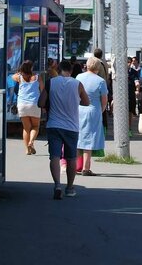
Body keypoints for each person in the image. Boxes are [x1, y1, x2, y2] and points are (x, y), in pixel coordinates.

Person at [39, 60, 90, 200]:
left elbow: (40, 103)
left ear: (59, 69)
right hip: (71, 126)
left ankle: (57, 185)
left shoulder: (51, 82)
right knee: (71, 158)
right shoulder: (77, 84)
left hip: (54, 125)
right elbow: (86, 102)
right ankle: (70, 187)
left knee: (54, 156)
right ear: (71, 70)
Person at [76, 57, 108, 177]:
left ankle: (72, 165)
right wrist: (100, 110)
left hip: (79, 109)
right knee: (89, 139)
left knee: (78, 136)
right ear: (98, 67)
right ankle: (86, 168)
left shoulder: (79, 77)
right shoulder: (100, 81)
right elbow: (104, 100)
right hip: (93, 110)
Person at [11, 60, 44, 155]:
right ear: (31, 68)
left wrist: (19, 72)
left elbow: (12, 77)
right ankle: (31, 142)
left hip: (22, 105)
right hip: (34, 104)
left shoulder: (19, 77)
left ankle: (27, 149)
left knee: (26, 128)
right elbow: (42, 90)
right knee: (35, 126)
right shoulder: (37, 77)